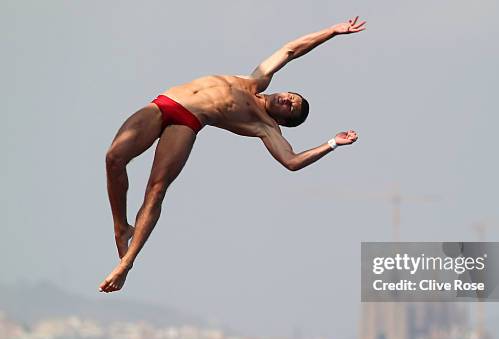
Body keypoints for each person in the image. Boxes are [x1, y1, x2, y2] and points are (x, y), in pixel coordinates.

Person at [100, 17, 366, 293]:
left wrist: (332, 143)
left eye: (291, 108)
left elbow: (292, 161)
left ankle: (126, 263)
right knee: (114, 159)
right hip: (165, 103)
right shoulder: (255, 80)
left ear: (285, 121)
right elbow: (291, 50)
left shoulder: (264, 126)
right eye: (291, 97)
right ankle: (121, 227)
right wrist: (333, 31)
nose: (287, 101)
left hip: (186, 123)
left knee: (156, 189)